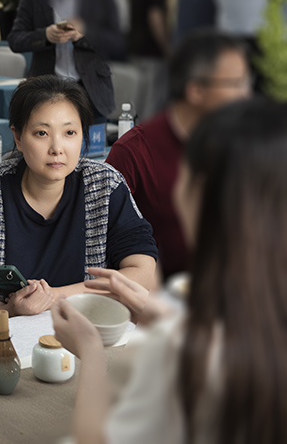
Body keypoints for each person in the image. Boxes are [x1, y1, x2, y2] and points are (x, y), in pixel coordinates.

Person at [53, 98, 287, 443]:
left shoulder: (180, 353)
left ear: (201, 194)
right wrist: (162, 315)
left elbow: (94, 438)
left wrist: (90, 350)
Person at [0, 75, 157, 323]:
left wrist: (54, 297)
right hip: (5, 336)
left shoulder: (105, 185)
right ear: (18, 138)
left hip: (86, 328)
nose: (57, 148)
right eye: (42, 133)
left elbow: (142, 272)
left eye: (69, 132)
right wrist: (9, 311)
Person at [106, 30, 251, 281]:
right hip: (158, 293)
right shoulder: (134, 152)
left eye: (246, 82)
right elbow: (99, 237)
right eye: (235, 84)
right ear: (196, 91)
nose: (245, 95)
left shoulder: (247, 144)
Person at [7, 0, 124, 123]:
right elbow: (15, 40)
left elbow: (118, 43)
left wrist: (86, 31)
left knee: (92, 141)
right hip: (46, 89)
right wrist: (44, 35)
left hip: (91, 89)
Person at [128, 0, 191, 119]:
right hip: (151, 50)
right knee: (151, 102)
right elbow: (154, 15)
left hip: (134, 46)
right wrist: (166, 47)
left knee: (138, 99)